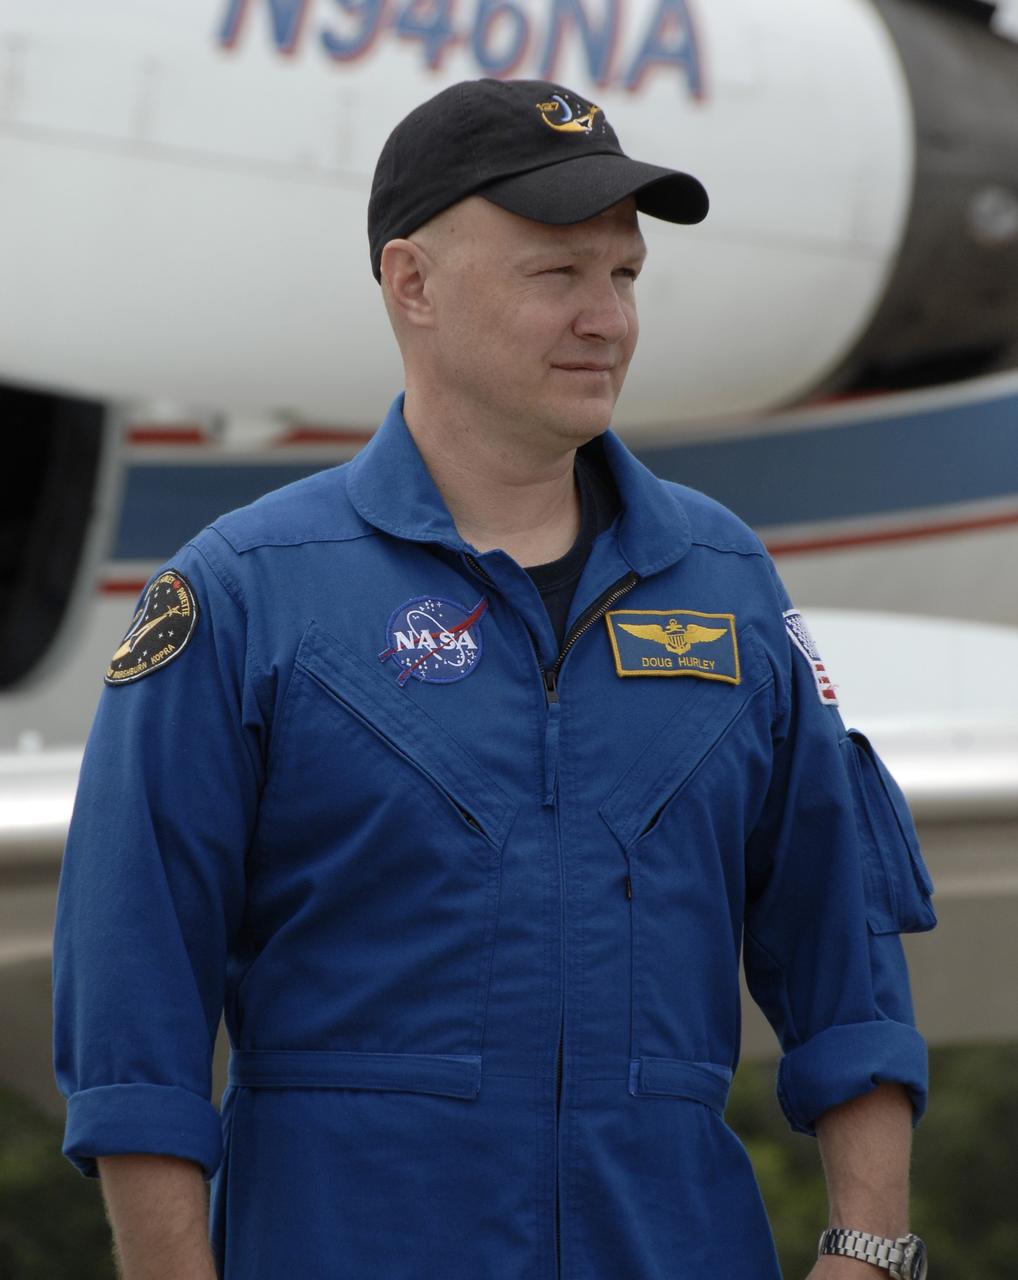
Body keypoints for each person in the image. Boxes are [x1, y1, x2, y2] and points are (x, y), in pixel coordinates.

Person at [53, 78, 936, 1280]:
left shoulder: (726, 584)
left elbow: (846, 952)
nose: (605, 319)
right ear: (411, 282)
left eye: (623, 277)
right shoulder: (244, 596)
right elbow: (132, 1019)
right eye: (555, 274)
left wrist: (870, 1247)